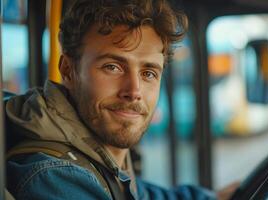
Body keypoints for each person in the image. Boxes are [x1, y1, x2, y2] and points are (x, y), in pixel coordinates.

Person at [5, 0, 238, 199]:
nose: (134, 90)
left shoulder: (102, 156)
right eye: (113, 67)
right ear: (68, 70)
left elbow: (144, 195)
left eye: (148, 73)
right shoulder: (54, 177)